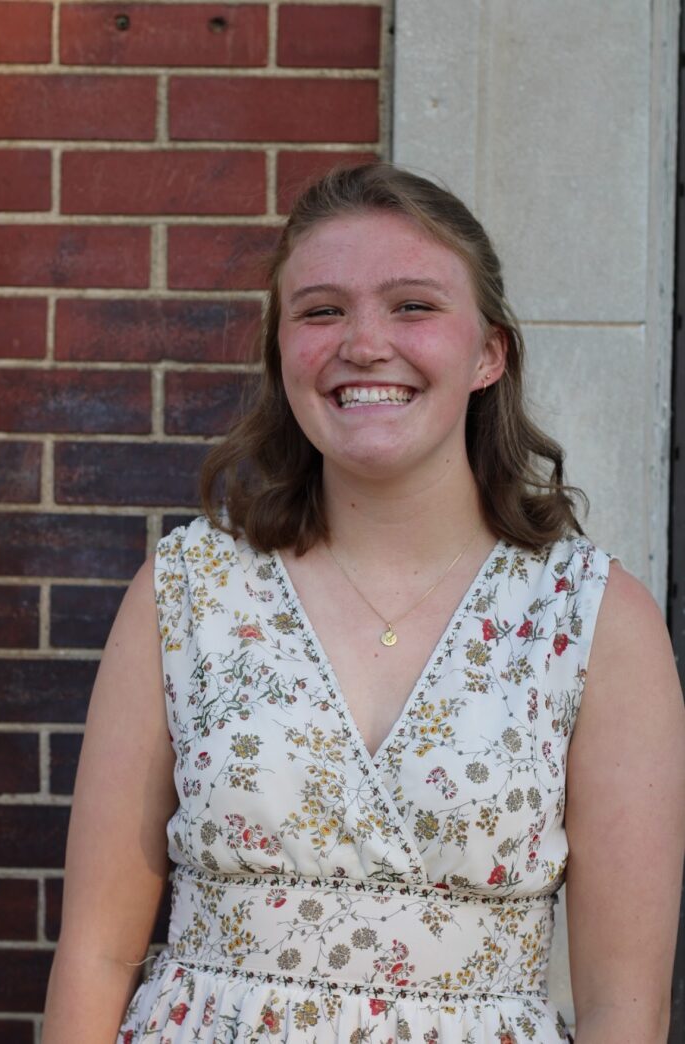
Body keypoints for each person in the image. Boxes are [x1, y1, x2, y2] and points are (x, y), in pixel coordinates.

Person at [43, 163, 685, 1044]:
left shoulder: (594, 619)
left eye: (413, 306)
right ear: (282, 349)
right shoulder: (187, 592)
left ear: (489, 353)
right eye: (321, 311)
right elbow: (96, 956)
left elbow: (626, 1007)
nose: (364, 343)